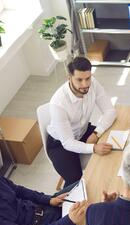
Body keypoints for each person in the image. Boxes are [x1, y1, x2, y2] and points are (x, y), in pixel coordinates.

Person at [46, 56, 117, 187]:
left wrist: (96, 134)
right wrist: (93, 148)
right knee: (76, 182)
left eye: (88, 78)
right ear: (69, 78)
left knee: (114, 145)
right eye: (79, 80)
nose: (85, 84)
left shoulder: (93, 83)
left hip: (83, 131)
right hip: (60, 144)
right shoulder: (58, 103)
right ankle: (64, 203)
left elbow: (110, 111)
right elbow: (68, 142)